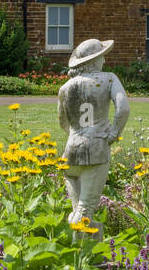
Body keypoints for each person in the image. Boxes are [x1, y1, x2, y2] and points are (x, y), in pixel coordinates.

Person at [56, 38, 130, 230]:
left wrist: (75, 134)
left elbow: (62, 121)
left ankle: (77, 247)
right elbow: (123, 109)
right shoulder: (109, 78)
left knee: (76, 206)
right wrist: (113, 133)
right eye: (101, 57)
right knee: (84, 212)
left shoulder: (65, 88)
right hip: (96, 150)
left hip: (71, 151)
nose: (104, 61)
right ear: (93, 60)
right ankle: (87, 254)